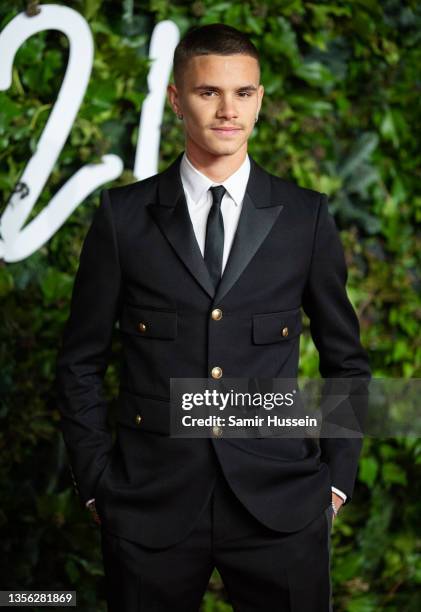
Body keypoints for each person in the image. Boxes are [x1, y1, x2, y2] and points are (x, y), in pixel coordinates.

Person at [55, 22, 371, 612]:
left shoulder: (305, 218)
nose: (229, 110)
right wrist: (99, 483)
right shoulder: (123, 219)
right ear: (177, 98)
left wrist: (333, 483)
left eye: (243, 93)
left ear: (259, 100)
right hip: (150, 506)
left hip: (282, 505)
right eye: (209, 92)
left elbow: (346, 361)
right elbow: (79, 362)